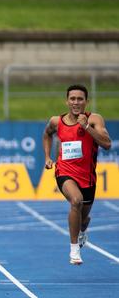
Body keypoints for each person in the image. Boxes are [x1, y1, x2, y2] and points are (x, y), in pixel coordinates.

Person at [42, 84, 111, 265]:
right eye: (72, 98)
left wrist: (87, 126)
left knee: (84, 218)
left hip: (88, 177)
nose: (76, 102)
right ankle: (74, 251)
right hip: (64, 171)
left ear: (86, 101)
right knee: (76, 201)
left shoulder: (94, 119)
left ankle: (81, 231)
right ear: (67, 101)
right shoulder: (57, 121)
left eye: (80, 99)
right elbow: (46, 134)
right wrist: (48, 157)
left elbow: (107, 144)